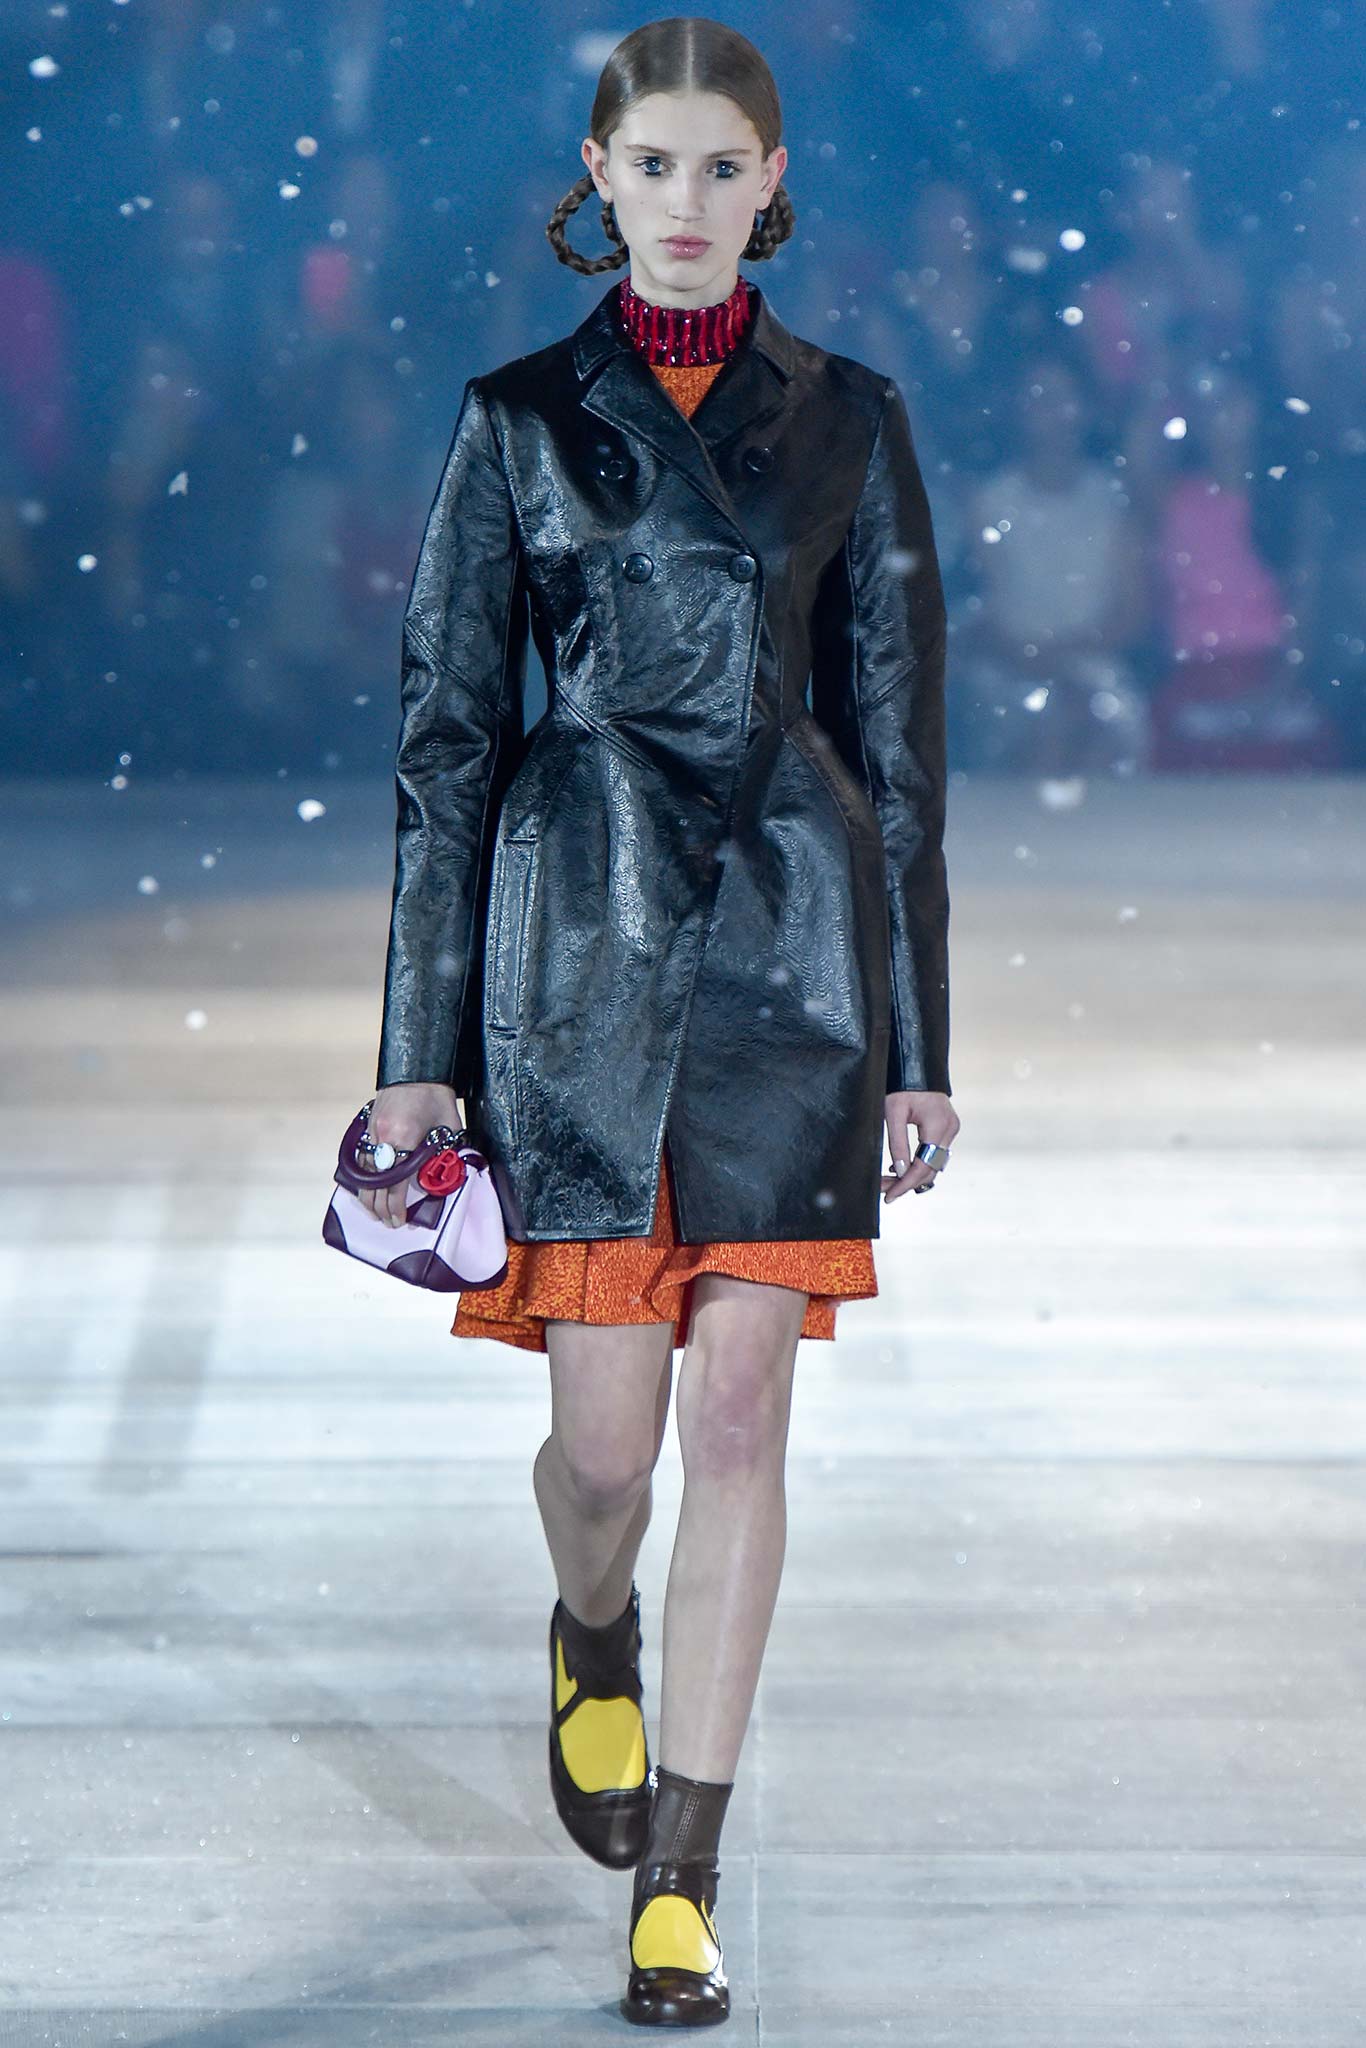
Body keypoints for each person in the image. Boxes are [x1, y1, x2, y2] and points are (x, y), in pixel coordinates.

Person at [355, 17, 959, 2027]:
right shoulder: (519, 419)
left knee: (740, 1419)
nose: (685, 203)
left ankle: (680, 1883)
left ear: (769, 185)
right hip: (580, 945)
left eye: (721, 168)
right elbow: (447, 743)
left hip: (790, 950)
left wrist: (917, 1041)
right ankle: (588, 1626)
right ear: (595, 179)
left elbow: (898, 743)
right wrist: (416, 1041)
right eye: (651, 166)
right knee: (604, 1456)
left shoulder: (848, 417)